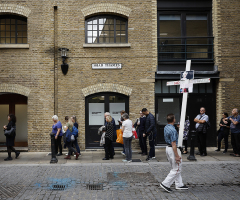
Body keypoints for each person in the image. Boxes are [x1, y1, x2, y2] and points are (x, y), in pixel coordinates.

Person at [160, 113, 188, 193]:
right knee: (177, 168)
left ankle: (179, 184)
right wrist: (177, 155)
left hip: (168, 148)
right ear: (173, 120)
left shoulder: (166, 127)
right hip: (172, 149)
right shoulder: (172, 130)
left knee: (175, 168)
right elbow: (173, 143)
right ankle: (165, 183)